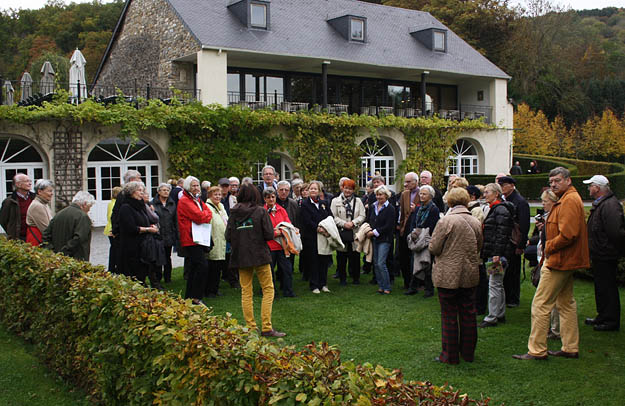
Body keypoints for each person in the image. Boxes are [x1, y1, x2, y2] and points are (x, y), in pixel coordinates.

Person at [514, 167, 589, 360]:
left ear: (568, 180)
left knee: (540, 304)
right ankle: (570, 347)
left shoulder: (570, 200)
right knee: (565, 303)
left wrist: (548, 247)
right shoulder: (566, 199)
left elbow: (569, 234)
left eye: (557, 180)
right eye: (551, 181)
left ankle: (537, 350)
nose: (553, 184)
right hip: (563, 260)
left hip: (559, 261)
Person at [428, 187, 482, 364]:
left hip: (448, 274)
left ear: (449, 201)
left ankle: (449, 355)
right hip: (469, 272)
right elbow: (479, 245)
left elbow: (434, 247)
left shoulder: (446, 221)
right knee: (468, 313)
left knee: (449, 314)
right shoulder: (475, 221)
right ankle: (468, 353)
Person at [226, 183, 286, 337]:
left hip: (241, 256)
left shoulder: (233, 213)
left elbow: (228, 236)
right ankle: (266, 327)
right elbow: (268, 234)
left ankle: (251, 327)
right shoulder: (260, 211)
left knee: (246, 292)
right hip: (260, 255)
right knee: (268, 289)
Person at [584, 175, 625, 332]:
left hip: (606, 254)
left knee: (607, 288)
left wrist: (610, 249)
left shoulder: (609, 205)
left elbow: (616, 232)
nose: (589, 189)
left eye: (591, 186)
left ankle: (610, 320)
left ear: (597, 188)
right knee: (601, 287)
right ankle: (603, 316)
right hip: (601, 253)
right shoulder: (605, 203)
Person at [479, 183, 515, 328]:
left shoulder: (500, 210)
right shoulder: (497, 209)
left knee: (494, 283)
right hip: (496, 253)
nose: (485, 194)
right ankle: (499, 313)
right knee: (497, 283)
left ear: (496, 194)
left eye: (487, 192)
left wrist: (497, 254)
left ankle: (492, 316)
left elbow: (502, 233)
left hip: (497, 254)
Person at [177, 176, 213, 305]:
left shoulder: (196, 199)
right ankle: (196, 297)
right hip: (191, 238)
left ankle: (190, 297)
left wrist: (205, 216)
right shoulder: (185, 201)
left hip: (197, 237)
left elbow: (208, 212)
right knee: (202, 266)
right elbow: (199, 216)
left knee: (194, 267)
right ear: (187, 187)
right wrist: (205, 216)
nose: (196, 188)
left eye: (197, 185)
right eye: (193, 186)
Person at [118, 182, 159, 286]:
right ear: (131, 192)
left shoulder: (140, 206)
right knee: (134, 276)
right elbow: (131, 228)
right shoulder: (126, 207)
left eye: (142, 191)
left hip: (143, 247)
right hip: (131, 247)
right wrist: (148, 229)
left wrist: (151, 225)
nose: (142, 193)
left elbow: (146, 220)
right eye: (139, 190)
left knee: (143, 272)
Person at [498, 176, 530, 308]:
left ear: (512, 185)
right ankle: (505, 296)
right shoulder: (504, 199)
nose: (502, 187)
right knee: (505, 270)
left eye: (504, 185)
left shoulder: (520, 202)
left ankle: (513, 298)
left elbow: (524, 225)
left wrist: (521, 244)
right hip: (505, 239)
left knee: (513, 271)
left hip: (514, 241)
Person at [535, 189, 561, 340]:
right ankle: (554, 328)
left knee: (546, 298)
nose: (543, 204)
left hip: (551, 260)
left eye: (545, 202)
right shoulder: (549, 217)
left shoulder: (555, 217)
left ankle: (554, 329)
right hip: (545, 257)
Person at [405, 185, 440, 297]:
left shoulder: (433, 209)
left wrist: (423, 234)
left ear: (430, 196)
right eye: (421, 193)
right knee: (414, 262)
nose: (422, 196)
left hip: (426, 239)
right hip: (416, 238)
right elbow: (413, 222)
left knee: (426, 264)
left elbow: (433, 226)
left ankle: (429, 289)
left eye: (424, 194)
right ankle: (413, 287)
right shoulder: (419, 208)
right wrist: (413, 234)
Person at [299, 180, 333, 294]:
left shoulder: (324, 203)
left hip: (324, 236)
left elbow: (330, 217)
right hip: (312, 236)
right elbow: (307, 221)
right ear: (308, 191)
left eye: (315, 189)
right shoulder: (304, 204)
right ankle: (314, 285)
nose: (313, 190)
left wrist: (326, 229)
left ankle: (323, 284)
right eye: (311, 189)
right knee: (314, 261)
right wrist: (318, 229)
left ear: (319, 191)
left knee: (324, 260)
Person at [331, 178, 366, 285]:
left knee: (355, 257)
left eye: (350, 189)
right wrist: (344, 224)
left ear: (353, 190)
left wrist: (353, 223)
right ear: (342, 188)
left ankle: (356, 278)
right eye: (346, 188)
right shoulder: (335, 201)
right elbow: (333, 216)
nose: (348, 191)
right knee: (341, 257)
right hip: (341, 232)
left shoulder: (358, 201)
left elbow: (362, 215)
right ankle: (342, 279)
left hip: (354, 232)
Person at [42, 191, 94, 261]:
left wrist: (52, 251)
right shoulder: (82, 217)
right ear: (84, 204)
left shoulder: (59, 214)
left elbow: (46, 235)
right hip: (75, 259)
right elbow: (79, 238)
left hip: (58, 259)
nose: (89, 209)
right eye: (89, 206)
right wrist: (64, 252)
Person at [264, 187, 296, 297]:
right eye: (268, 197)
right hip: (269, 246)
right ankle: (272, 292)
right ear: (265, 199)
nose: (271, 199)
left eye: (273, 197)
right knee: (269, 271)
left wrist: (280, 231)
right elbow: (262, 229)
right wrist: (273, 233)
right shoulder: (262, 211)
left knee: (287, 269)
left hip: (282, 245)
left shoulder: (281, 210)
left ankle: (288, 291)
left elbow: (288, 224)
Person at [111, 169, 142, 276]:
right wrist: (116, 230)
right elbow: (116, 214)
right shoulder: (124, 196)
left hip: (130, 234)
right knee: (127, 262)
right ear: (132, 180)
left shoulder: (128, 196)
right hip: (127, 235)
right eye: (139, 178)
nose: (141, 181)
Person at [366, 185, 396, 295]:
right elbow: (369, 220)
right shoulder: (373, 206)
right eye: (377, 195)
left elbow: (389, 226)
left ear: (386, 195)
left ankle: (387, 286)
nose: (378, 197)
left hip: (385, 239)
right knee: (375, 263)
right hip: (374, 239)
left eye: (381, 195)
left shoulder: (390, 209)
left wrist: (373, 232)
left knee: (381, 263)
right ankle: (381, 285)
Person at [151, 183, 177, 283]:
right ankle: (157, 277)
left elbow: (175, 220)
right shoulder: (153, 204)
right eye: (164, 190)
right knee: (158, 257)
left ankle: (168, 277)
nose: (166, 192)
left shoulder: (172, 203)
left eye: (167, 190)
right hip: (158, 235)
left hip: (169, 233)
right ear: (159, 191)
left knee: (167, 257)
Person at [398, 172, 420, 290]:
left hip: (417, 229)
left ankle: (416, 283)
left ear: (416, 182)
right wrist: (400, 227)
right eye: (405, 181)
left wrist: (416, 209)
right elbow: (401, 213)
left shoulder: (423, 193)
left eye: (408, 182)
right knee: (403, 256)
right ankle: (406, 282)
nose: (405, 184)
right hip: (405, 228)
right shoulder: (404, 194)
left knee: (414, 258)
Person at [205, 186, 228, 297]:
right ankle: (210, 290)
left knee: (218, 266)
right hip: (214, 239)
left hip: (221, 239)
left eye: (219, 194)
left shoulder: (220, 206)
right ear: (210, 195)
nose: (218, 196)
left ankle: (215, 288)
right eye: (215, 194)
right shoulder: (207, 206)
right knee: (212, 266)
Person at [0, 173, 35, 241]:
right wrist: (12, 233)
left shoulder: (35, 198)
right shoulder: (9, 202)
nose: (30, 183)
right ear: (18, 184)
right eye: (26, 181)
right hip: (18, 238)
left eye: (30, 181)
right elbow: (3, 220)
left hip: (34, 236)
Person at [25, 179, 54, 246]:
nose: (52, 193)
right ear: (40, 191)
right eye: (49, 191)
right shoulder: (37, 206)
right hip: (37, 242)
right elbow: (46, 229)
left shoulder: (44, 203)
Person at [104, 186, 123, 273]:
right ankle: (113, 267)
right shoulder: (115, 204)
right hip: (112, 229)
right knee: (115, 249)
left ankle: (112, 267)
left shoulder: (110, 202)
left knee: (114, 249)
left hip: (109, 227)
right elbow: (113, 217)